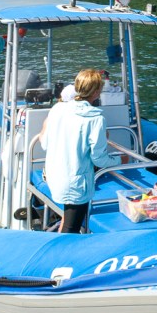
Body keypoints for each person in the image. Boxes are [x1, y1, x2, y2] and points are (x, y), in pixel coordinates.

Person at [41, 69, 122, 234]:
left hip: (55, 176)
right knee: (71, 229)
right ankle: (61, 258)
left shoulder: (58, 109)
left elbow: (45, 143)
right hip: (76, 184)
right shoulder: (96, 119)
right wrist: (119, 161)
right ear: (97, 92)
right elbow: (99, 159)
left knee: (68, 222)